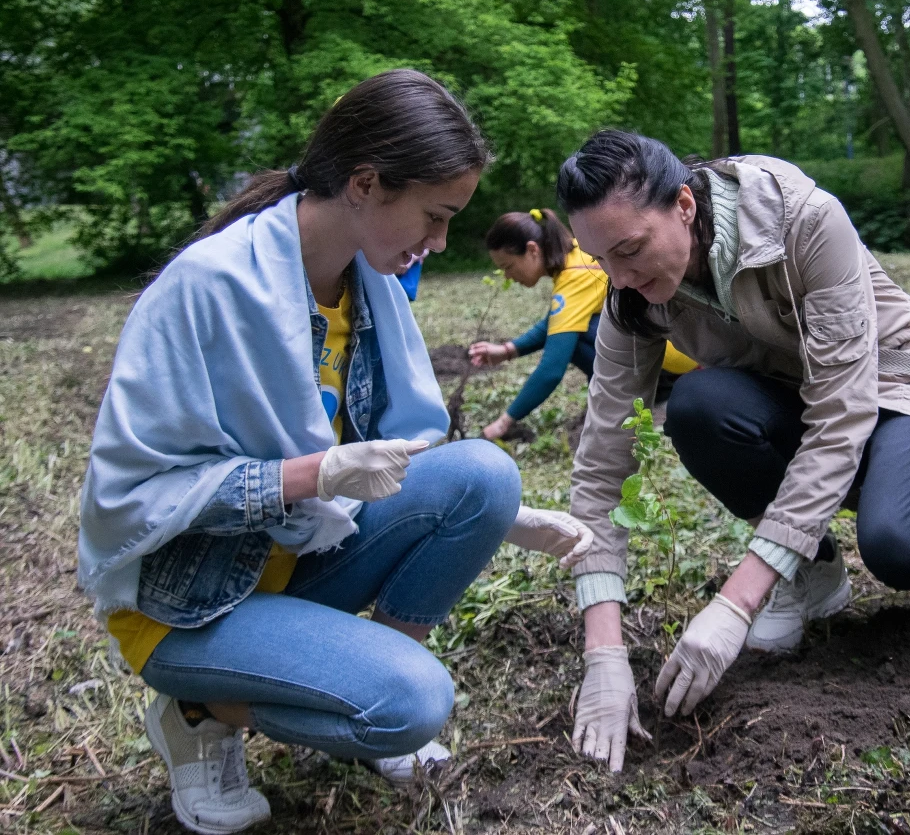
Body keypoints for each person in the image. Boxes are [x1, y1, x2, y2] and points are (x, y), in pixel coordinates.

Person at [77, 70, 593, 835]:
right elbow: (133, 495)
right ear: (364, 183)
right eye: (435, 215)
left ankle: (343, 675)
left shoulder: (370, 292)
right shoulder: (206, 288)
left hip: (294, 564)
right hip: (190, 602)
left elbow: (394, 458)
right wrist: (311, 473)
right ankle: (197, 712)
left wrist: (511, 518)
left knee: (486, 474)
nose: (440, 241)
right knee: (412, 704)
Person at [555, 130, 910, 773]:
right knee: (699, 407)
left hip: (902, 388)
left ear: (684, 205)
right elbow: (601, 464)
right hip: (797, 397)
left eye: (631, 250)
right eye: (605, 262)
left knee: (901, 545)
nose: (622, 278)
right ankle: (813, 572)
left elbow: (839, 418)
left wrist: (735, 602)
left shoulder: (803, 221)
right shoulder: (631, 297)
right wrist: (602, 654)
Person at [468, 208, 697, 441]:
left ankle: (653, 393)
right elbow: (556, 321)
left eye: (508, 266)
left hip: (675, 362)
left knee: (574, 335)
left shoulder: (573, 278)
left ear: (532, 250)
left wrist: (503, 422)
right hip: (684, 348)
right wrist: (508, 351)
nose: (507, 276)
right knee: (571, 327)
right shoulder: (579, 254)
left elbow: (551, 370)